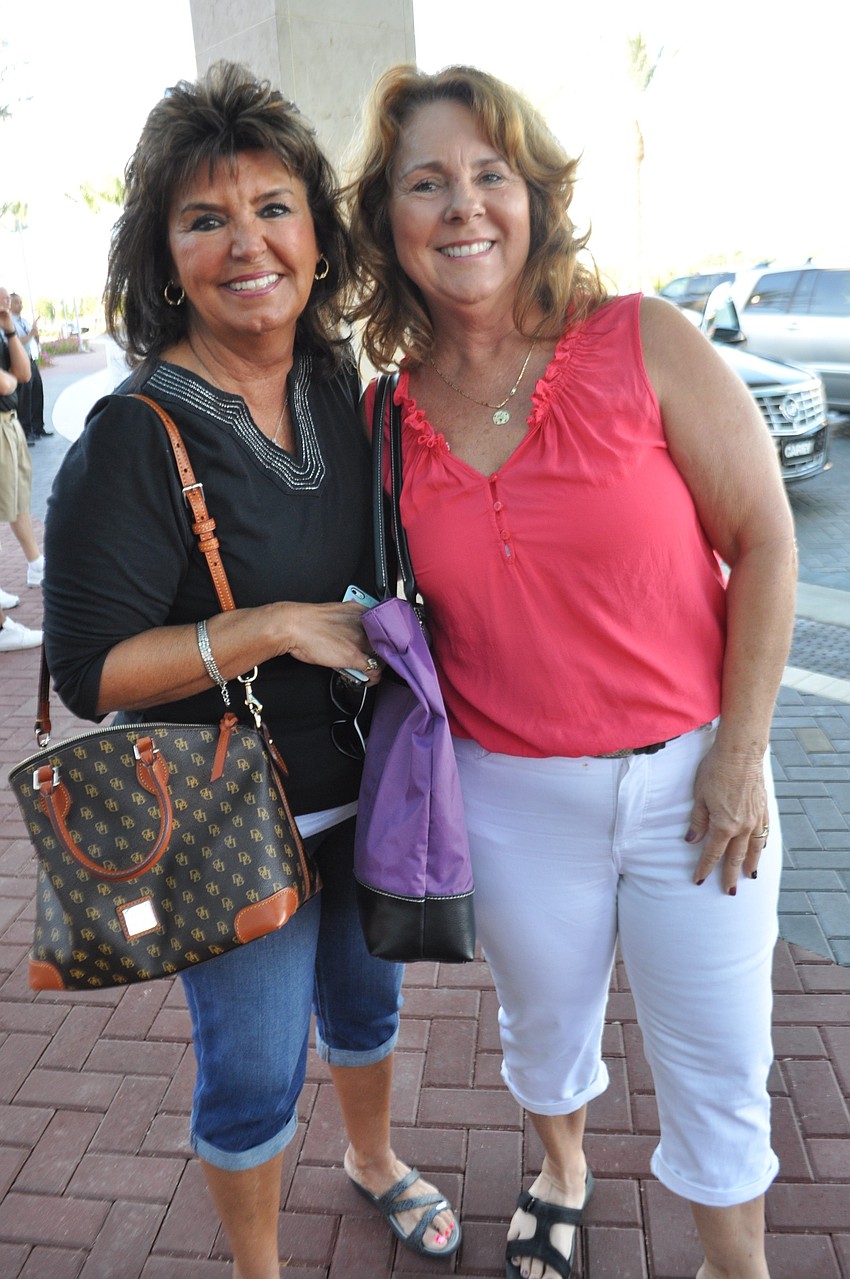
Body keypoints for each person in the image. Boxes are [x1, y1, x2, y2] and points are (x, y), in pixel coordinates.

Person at [347, 64, 795, 1279]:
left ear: (534, 197)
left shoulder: (642, 339)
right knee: (542, 1025)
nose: (463, 207)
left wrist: (740, 757)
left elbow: (764, 540)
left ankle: (733, 1265)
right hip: (505, 794)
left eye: (490, 175)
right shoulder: (384, 414)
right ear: (387, 222)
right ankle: (559, 1168)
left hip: (694, 783)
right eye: (426, 183)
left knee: (717, 1059)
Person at [42, 62, 459, 1279]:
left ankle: (373, 1159)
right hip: (229, 815)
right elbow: (91, 670)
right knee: (252, 1065)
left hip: (367, 785)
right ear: (165, 253)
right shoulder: (135, 435)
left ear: (319, 239)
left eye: (273, 207)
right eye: (205, 218)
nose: (246, 244)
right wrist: (273, 625)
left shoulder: (342, 388)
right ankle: (260, 1268)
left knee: (369, 1010)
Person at [0, 284, 43, 649]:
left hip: (7, 423)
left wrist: (8, 325)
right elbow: (5, 381)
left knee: (17, 502)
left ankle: (35, 564)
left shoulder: (2, 325)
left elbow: (23, 374)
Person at [10, 292, 51, 440]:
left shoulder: (25, 321)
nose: (19, 305)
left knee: (36, 393)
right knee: (24, 398)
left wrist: (36, 334)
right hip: (20, 363)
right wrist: (31, 334)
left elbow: (33, 339)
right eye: (16, 302)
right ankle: (26, 432)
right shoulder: (9, 322)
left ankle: (38, 427)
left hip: (31, 360)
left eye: (20, 302)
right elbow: (14, 341)